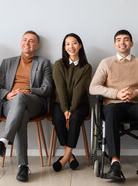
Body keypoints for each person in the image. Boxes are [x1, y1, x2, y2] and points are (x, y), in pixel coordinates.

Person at [89, 29, 138, 181]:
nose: (122, 42)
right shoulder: (106, 63)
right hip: (114, 104)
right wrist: (116, 94)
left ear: (132, 43)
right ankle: (115, 163)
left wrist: (136, 93)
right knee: (111, 111)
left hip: (136, 105)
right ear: (115, 44)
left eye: (126, 39)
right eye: (119, 40)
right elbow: (93, 87)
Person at [0, 30, 52, 182]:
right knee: (21, 114)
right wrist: (7, 94)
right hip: (10, 104)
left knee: (22, 97)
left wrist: (29, 90)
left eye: (31, 41)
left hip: (34, 102)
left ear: (36, 46)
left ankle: (3, 141)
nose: (27, 43)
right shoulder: (7, 63)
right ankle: (22, 166)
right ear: (20, 43)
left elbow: (48, 88)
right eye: (25, 40)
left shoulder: (44, 63)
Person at [51, 33, 92, 172]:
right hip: (60, 103)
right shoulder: (58, 64)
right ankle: (71, 157)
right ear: (64, 47)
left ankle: (64, 158)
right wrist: (65, 109)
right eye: (67, 44)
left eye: (74, 43)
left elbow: (79, 89)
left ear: (80, 45)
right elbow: (60, 88)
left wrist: (72, 109)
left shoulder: (86, 67)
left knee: (74, 120)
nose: (71, 46)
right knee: (58, 119)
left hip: (79, 104)